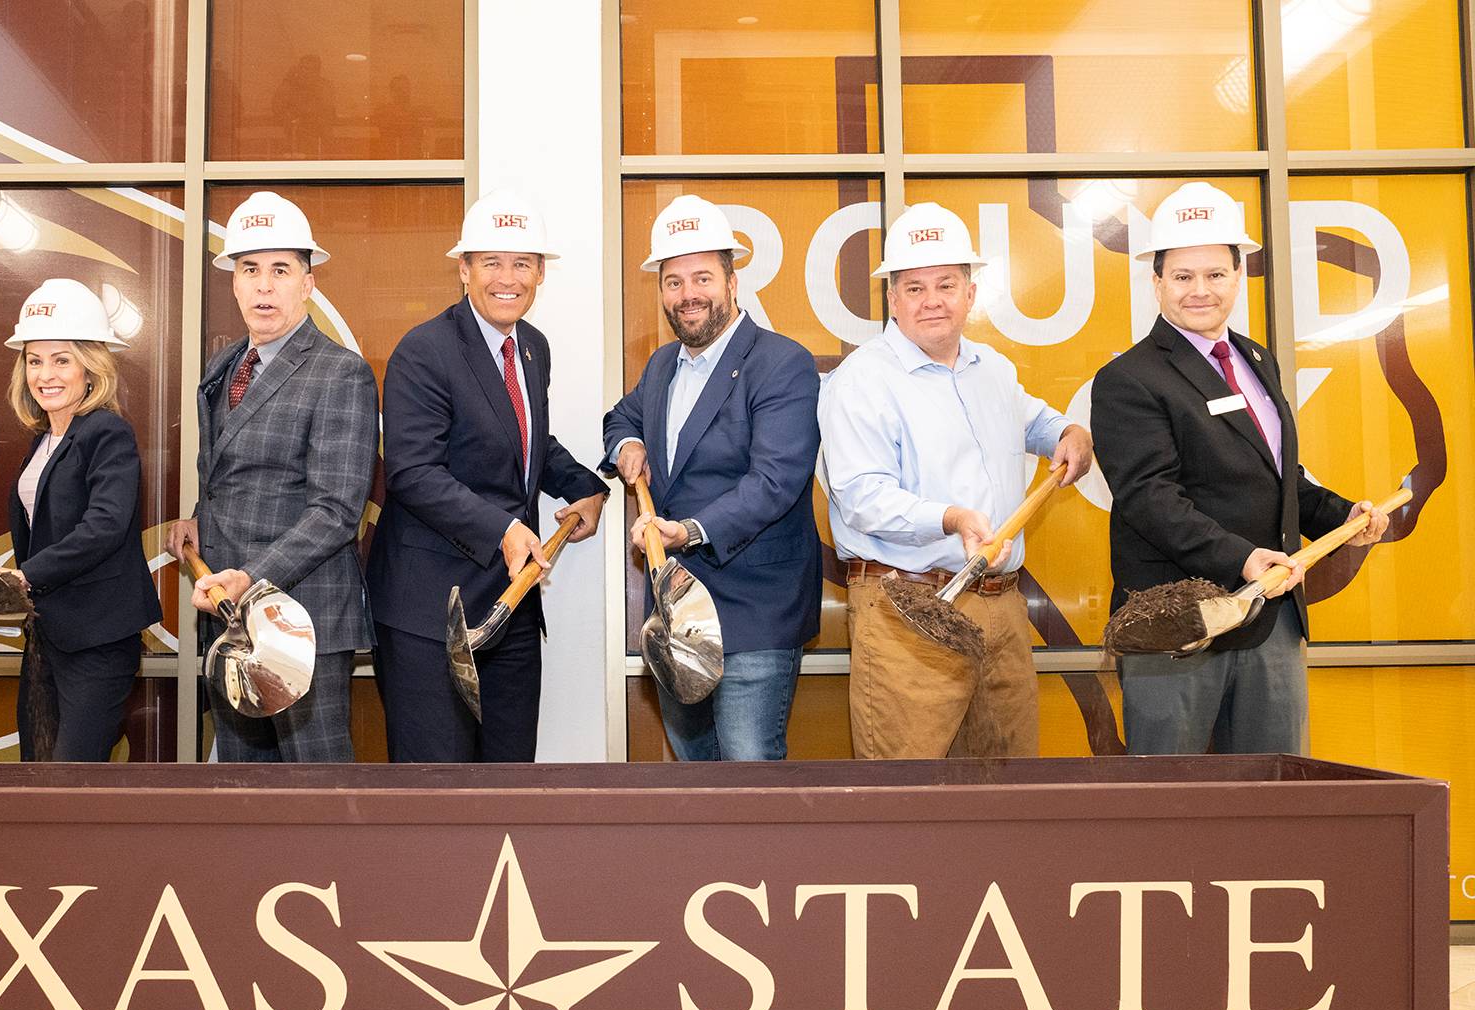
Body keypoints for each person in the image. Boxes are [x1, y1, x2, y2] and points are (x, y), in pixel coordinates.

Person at [1091, 181, 1390, 755]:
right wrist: (1243, 558)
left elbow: (1280, 480)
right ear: (1156, 282)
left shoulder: (1256, 359)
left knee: (1272, 797)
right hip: (1178, 626)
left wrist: (1340, 516)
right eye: (1182, 277)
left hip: (1270, 620)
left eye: (1215, 274)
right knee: (1171, 803)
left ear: (1238, 275)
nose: (1200, 290)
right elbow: (1150, 498)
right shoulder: (1129, 380)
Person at [818, 203, 1092, 759]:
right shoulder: (861, 381)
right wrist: (952, 517)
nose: (932, 300)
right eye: (914, 288)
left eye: (946, 283)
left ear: (971, 292)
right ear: (892, 300)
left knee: (1007, 787)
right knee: (908, 793)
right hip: (906, 608)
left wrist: (1068, 430)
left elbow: (1033, 420)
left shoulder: (991, 367)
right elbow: (861, 497)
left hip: (1000, 607)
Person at [365, 190, 608, 762]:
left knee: (509, 779)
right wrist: (501, 528)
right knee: (437, 794)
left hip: (511, 605)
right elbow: (411, 471)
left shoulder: (532, 348)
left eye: (522, 262)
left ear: (541, 272)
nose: (508, 277)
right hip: (430, 613)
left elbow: (527, 443)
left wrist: (588, 488)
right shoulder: (423, 351)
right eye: (491, 262)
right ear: (464, 269)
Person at [603, 194, 821, 760]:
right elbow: (623, 416)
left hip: (754, 611)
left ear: (732, 281)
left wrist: (691, 530)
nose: (688, 294)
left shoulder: (782, 363)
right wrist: (627, 443)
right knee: (694, 774)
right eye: (673, 282)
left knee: (749, 776)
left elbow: (775, 480)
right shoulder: (662, 365)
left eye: (702, 277)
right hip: (678, 614)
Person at [164, 191, 377, 762]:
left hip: (300, 619)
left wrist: (249, 577)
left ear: (308, 283)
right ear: (233, 281)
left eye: (281, 270)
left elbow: (336, 511)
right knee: (244, 795)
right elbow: (229, 476)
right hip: (230, 618)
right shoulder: (223, 365)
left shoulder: (341, 372)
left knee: (317, 793)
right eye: (250, 269)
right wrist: (198, 518)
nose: (263, 285)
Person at [1, 278, 161, 762]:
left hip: (97, 639)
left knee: (74, 776)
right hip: (48, 635)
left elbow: (105, 526)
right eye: (34, 360)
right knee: (37, 770)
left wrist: (25, 576)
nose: (44, 374)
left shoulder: (106, 431)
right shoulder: (41, 440)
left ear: (91, 368)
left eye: (61, 359)